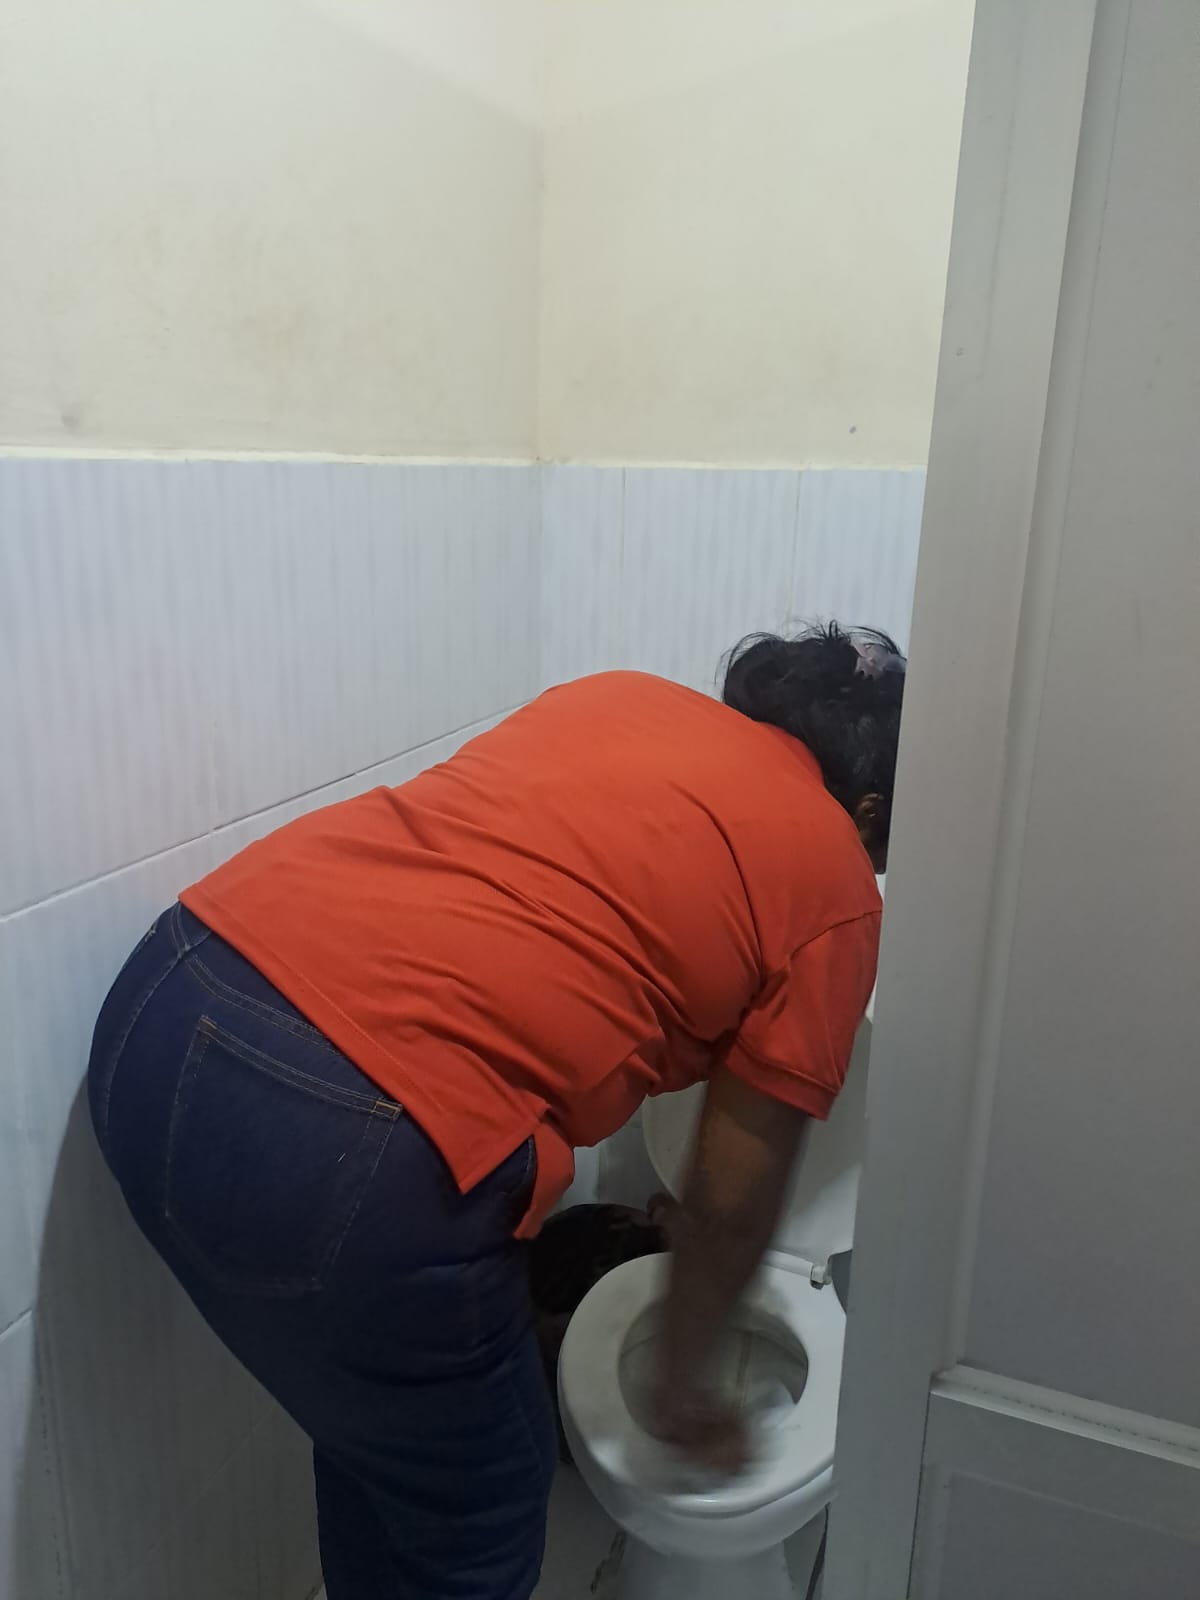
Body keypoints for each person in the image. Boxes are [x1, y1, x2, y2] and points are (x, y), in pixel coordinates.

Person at [87, 621, 904, 1600]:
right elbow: (734, 1201)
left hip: (160, 1008)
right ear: (868, 808)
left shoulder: (621, 697)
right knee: (478, 1517)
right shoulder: (835, 885)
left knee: (382, 1443)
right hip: (357, 1145)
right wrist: (683, 1384)